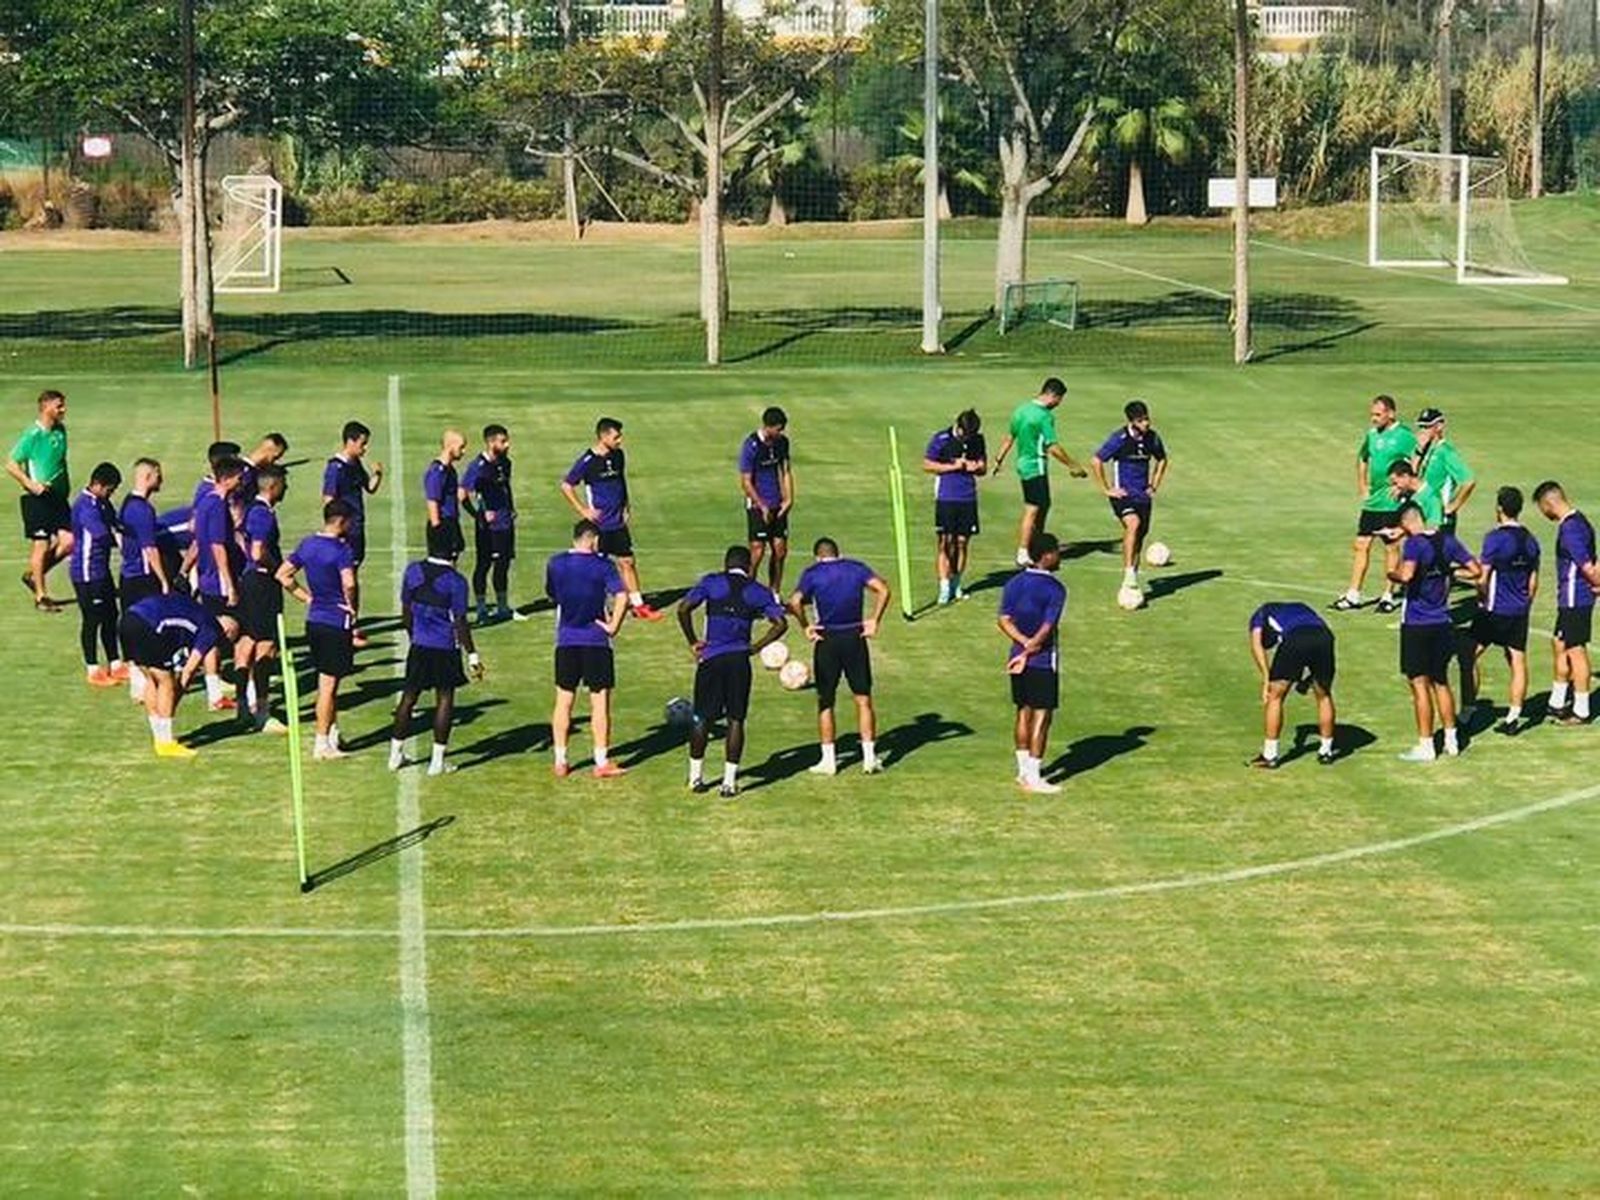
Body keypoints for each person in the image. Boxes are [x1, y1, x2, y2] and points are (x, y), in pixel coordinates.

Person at [678, 544, 789, 797]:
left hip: (711, 658)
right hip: (739, 661)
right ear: (749, 567)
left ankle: (696, 777)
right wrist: (755, 647)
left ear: (725, 564)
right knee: (736, 719)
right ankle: (729, 782)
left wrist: (693, 641)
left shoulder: (712, 582)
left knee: (702, 717)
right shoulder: (757, 591)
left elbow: (683, 608)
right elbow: (780, 624)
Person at [789, 537, 891, 776]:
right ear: (839, 553)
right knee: (863, 698)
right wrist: (875, 620)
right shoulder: (856, 568)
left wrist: (806, 626)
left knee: (826, 701)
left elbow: (794, 601)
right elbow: (883, 589)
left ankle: (829, 760)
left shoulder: (812, 573)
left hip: (827, 641)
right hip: (855, 638)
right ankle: (869, 758)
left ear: (818, 556)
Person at [1388, 501, 1480, 761]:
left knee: (1418, 684)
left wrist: (1391, 572)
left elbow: (1406, 576)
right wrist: (1451, 572)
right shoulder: (1448, 541)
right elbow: (1475, 570)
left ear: (1406, 522)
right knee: (1441, 680)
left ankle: (1426, 745)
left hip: (1417, 624)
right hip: (1442, 621)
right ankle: (1451, 740)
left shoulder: (1414, 545)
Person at [545, 519, 631, 779]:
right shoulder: (603, 566)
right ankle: (601, 761)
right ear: (593, 539)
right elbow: (622, 595)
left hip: (566, 640)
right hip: (596, 640)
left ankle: (560, 760)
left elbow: (552, 593)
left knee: (563, 701)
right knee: (600, 702)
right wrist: (613, 625)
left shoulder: (556, 563)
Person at [389, 544, 483, 777]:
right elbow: (460, 621)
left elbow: (406, 611)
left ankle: (394, 756)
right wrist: (472, 655)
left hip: (419, 646)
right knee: (445, 700)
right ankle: (437, 762)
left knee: (409, 698)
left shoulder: (413, 571)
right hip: (444, 648)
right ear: (454, 553)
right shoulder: (456, 581)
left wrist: (415, 637)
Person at [277, 500, 358, 761]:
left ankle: (332, 733)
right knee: (328, 686)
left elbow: (283, 575)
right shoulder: (341, 550)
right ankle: (321, 743)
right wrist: (352, 606)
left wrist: (306, 597)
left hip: (314, 620)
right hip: (336, 620)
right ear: (341, 521)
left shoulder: (308, 544)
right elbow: (350, 582)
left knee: (327, 681)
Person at [562, 417, 664, 621]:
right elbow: (566, 485)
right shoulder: (587, 461)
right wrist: (583, 510)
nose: (620, 440)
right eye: (616, 436)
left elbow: (621, 480)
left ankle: (638, 605)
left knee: (627, 561)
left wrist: (626, 504)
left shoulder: (618, 456)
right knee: (597, 567)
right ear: (604, 436)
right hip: (599, 525)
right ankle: (598, 607)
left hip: (617, 521)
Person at [1463, 486, 1539, 735]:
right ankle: (1514, 716)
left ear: (1499, 509)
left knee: (1468, 655)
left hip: (1493, 610)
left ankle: (1468, 710)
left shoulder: (1494, 538)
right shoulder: (1531, 540)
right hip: (1519, 611)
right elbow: (1533, 581)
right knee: (1517, 660)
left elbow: (1482, 577)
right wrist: (1525, 605)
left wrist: (1480, 597)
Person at [997, 532, 1068, 794]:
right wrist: (1032, 645)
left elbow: (1004, 620)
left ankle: (1022, 771)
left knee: (1023, 711)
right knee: (1042, 714)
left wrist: (1022, 644)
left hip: (1016, 658)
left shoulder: (1013, 583)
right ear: (1046, 555)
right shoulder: (1056, 589)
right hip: (1040, 661)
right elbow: (1048, 627)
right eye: (1057, 552)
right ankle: (1034, 777)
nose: (1059, 556)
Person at [991, 378, 1088, 567]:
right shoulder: (1044, 416)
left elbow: (1010, 437)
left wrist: (998, 460)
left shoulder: (1021, 410)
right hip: (1036, 467)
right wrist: (1072, 465)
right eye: (1060, 400)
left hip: (1023, 465)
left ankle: (1037, 545)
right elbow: (1052, 446)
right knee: (1033, 508)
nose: (1058, 405)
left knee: (1043, 505)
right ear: (1053, 395)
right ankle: (1024, 551)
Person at [118, 592, 226, 759]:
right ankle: (166, 742)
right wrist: (174, 700)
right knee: (166, 682)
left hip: (128, 619)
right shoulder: (211, 630)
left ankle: (159, 738)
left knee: (152, 679)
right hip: (148, 625)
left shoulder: (196, 610)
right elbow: (189, 671)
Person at [1334, 394, 1417, 613]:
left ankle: (1388, 595)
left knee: (1391, 547)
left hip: (1391, 503)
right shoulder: (1371, 435)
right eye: (1372, 414)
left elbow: (1418, 460)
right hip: (1372, 502)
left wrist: (1404, 486)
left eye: (1378, 414)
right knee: (1361, 545)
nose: (1374, 419)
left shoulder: (1404, 436)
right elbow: (1363, 458)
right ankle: (1353, 594)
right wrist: (1362, 485)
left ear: (1391, 413)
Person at [1534, 480, 1600, 726]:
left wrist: (1597, 583)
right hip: (1574, 597)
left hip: (1575, 598)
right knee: (1559, 643)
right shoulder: (1581, 521)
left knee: (1576, 651)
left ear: (1548, 503)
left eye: (1542, 508)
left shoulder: (1570, 529)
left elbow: (1586, 565)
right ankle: (1557, 702)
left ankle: (1582, 710)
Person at [1090, 399, 1169, 596]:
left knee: (1139, 538)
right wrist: (1107, 489)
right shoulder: (1120, 439)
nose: (1146, 424)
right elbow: (1096, 460)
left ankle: (1131, 579)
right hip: (1122, 494)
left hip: (1143, 495)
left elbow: (1162, 460)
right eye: (1141, 421)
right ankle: (1128, 576)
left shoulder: (1152, 438)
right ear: (1132, 421)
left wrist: (1154, 485)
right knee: (1132, 524)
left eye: (1147, 419)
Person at [1246, 602, 1338, 769]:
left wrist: (1267, 679)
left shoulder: (1259, 616)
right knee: (1324, 695)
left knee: (1275, 697)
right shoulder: (1302, 607)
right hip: (1325, 637)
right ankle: (1326, 752)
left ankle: (1270, 755)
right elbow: (1313, 640)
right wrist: (1307, 679)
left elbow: (1256, 646)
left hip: (1296, 639)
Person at [7, 389, 73, 611]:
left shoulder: (60, 431)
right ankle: (41, 597)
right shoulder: (32, 435)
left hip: (58, 498)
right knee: (41, 545)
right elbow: (11, 464)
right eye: (59, 406)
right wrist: (30, 484)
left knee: (69, 542)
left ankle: (34, 574)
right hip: (38, 499)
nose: (63, 410)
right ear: (45, 407)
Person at [236, 464, 288, 734]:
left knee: (247, 640)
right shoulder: (262, 514)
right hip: (261, 584)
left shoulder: (251, 510)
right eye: (283, 484)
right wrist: (277, 568)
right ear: (273, 486)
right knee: (265, 644)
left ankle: (243, 704)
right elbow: (257, 551)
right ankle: (262, 711)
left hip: (249, 582)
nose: (286, 489)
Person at [321, 420, 383, 645]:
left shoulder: (355, 463)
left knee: (354, 577)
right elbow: (328, 500)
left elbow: (370, 487)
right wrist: (335, 531)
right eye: (363, 444)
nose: (365, 449)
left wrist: (378, 474)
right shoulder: (335, 468)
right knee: (347, 580)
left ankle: (351, 623)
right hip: (345, 532)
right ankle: (346, 625)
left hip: (357, 529)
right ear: (350, 441)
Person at [192, 455, 246, 712]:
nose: (241, 481)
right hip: (218, 581)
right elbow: (217, 545)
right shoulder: (216, 506)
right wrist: (230, 583)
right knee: (231, 630)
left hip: (206, 578)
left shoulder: (205, 502)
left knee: (213, 631)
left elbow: (196, 538)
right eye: (238, 476)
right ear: (227, 478)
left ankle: (214, 690)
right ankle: (220, 683)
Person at [922, 409, 986, 605]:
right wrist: (954, 466)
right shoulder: (942, 438)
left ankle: (956, 584)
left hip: (968, 497)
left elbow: (983, 467)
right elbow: (927, 464)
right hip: (947, 497)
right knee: (945, 542)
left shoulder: (977, 440)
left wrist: (976, 467)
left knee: (962, 543)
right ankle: (944, 586)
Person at [69, 461, 125, 687]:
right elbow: (103, 536)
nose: (111, 494)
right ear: (98, 485)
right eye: (110, 489)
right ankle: (93, 668)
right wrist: (127, 543)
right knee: (93, 619)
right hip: (87, 573)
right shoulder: (86, 507)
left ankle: (115, 663)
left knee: (111, 615)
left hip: (101, 571)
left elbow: (116, 522)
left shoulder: (102, 503)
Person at [461, 423, 523, 624]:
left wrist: (511, 507)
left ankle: (503, 606)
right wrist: (478, 515)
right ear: (490, 442)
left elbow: (506, 486)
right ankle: (481, 609)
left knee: (503, 564)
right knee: (484, 565)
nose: (507, 445)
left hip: (505, 523)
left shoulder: (505, 463)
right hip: (488, 528)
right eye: (503, 441)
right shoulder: (478, 467)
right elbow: (462, 494)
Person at [119, 458, 170, 702]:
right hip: (142, 577)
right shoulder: (143, 510)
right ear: (148, 476)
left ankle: (138, 681)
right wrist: (164, 580)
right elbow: (150, 549)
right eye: (159, 475)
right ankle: (145, 682)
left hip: (129, 575)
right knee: (148, 627)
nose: (162, 480)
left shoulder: (127, 504)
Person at [739, 406, 795, 593]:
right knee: (757, 551)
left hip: (777, 504)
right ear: (768, 427)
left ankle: (774, 594)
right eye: (778, 429)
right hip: (757, 505)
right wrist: (761, 505)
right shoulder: (751, 446)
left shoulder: (782, 443)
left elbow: (785, 471)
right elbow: (746, 481)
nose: (781, 433)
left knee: (780, 550)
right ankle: (747, 593)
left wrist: (789, 498)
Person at [1414, 407, 1475, 537]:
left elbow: (1469, 480)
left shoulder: (1446, 452)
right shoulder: (1424, 450)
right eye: (1421, 427)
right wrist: (1418, 451)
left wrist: (1453, 506)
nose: (1423, 431)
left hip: (1439, 518)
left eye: (1427, 427)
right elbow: (1412, 476)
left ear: (1439, 426)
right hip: (1423, 513)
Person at [423, 429, 466, 560]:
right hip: (443, 523)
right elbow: (432, 501)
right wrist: (438, 530)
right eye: (461, 447)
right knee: (443, 567)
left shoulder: (450, 470)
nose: (464, 452)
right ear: (450, 446)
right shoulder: (437, 472)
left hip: (451, 522)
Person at [1385, 458, 1444, 529]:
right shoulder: (1408, 495)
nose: (1394, 488)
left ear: (1405, 476)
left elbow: (1433, 529)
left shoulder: (1432, 498)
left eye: (1395, 483)